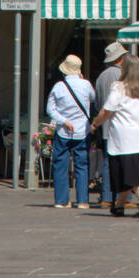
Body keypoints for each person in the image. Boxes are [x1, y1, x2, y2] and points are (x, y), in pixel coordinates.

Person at [90, 55, 139, 217]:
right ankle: (120, 205)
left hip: (123, 136)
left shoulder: (119, 88)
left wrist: (96, 124)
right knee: (134, 170)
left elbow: (107, 110)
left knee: (127, 171)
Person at [47, 55, 95, 210]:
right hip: (82, 130)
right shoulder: (86, 85)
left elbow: (50, 109)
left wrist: (63, 120)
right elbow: (93, 99)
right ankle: (83, 200)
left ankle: (61, 200)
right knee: (82, 165)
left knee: (60, 165)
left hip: (64, 130)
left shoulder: (59, 86)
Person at [94, 41, 127, 208]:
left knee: (108, 161)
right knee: (122, 162)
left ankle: (106, 196)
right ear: (120, 58)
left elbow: (97, 102)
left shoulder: (101, 77)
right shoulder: (122, 75)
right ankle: (122, 197)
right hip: (120, 124)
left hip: (105, 125)